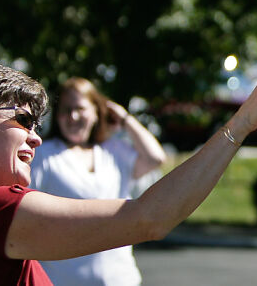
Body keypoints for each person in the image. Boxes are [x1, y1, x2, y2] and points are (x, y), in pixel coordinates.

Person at [0, 45, 257, 285]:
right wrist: (240, 125)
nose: (36, 137)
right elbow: (147, 219)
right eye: (22, 120)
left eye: (38, 125)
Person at [30, 77, 166, 285]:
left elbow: (155, 158)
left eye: (80, 108)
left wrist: (124, 118)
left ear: (95, 112)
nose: (73, 116)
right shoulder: (44, 155)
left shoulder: (113, 151)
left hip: (120, 279)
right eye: (66, 110)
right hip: (63, 280)